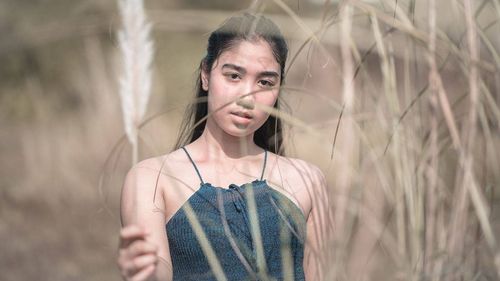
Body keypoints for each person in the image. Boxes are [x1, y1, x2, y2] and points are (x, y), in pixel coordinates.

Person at [117, 13, 330, 281]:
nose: (247, 97)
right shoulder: (153, 178)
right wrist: (141, 269)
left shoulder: (306, 180)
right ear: (206, 75)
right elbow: (156, 268)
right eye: (233, 76)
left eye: (265, 82)